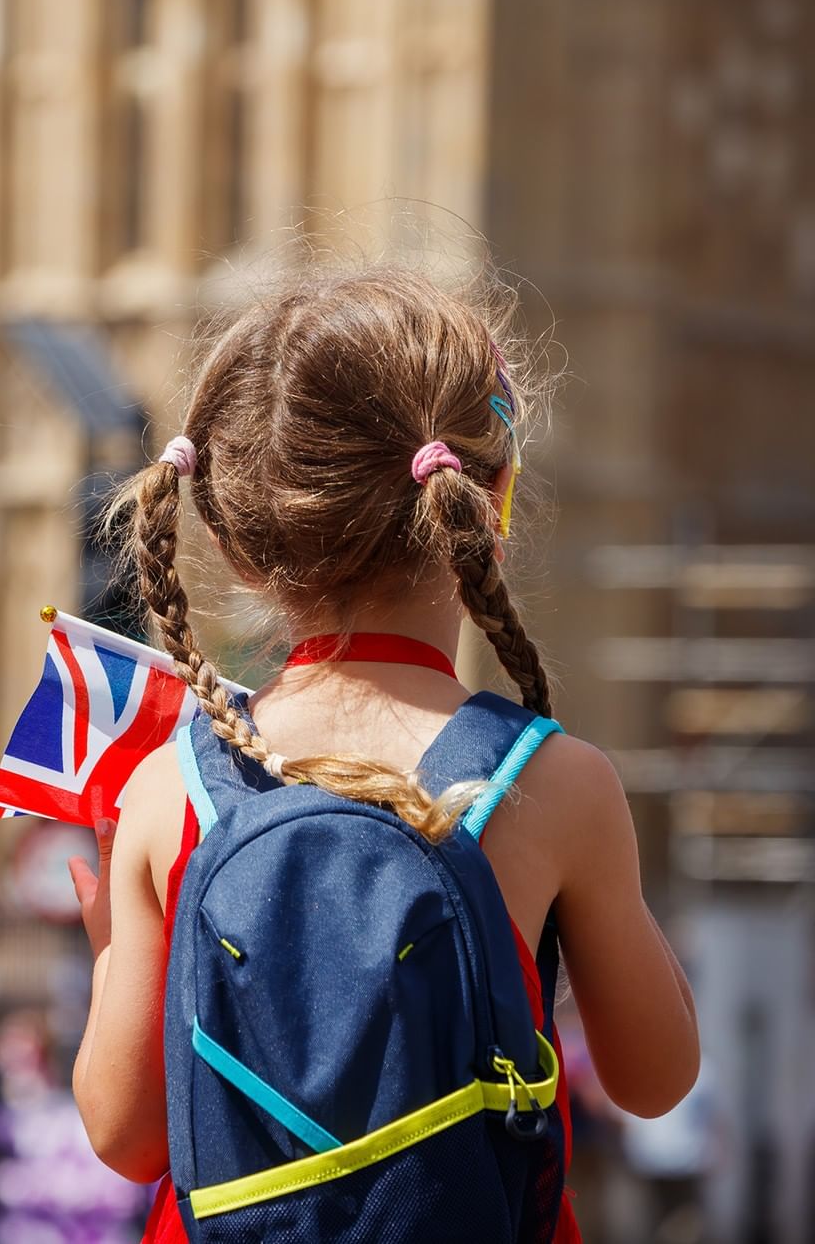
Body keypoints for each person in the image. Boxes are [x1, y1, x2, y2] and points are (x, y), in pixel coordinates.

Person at [65, 267, 699, 1241]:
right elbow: (655, 1080)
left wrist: (113, 954)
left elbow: (122, 1134)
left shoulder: (169, 785)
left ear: (230, 539)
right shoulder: (549, 782)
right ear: (489, 500)